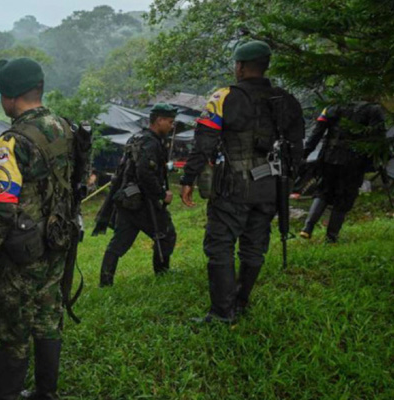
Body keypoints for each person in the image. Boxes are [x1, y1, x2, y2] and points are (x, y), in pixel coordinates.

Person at [0, 58, 76, 400]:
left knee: (12, 331)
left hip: (21, 250)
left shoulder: (11, 143)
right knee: (47, 316)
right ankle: (46, 393)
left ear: (10, 96)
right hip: (57, 238)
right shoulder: (62, 126)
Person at [179, 41, 304, 323]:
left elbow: (204, 144)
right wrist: (285, 184)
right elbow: (297, 149)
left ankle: (223, 313)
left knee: (220, 245)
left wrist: (188, 178)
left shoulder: (224, 97)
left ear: (240, 66)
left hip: (233, 186)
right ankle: (241, 302)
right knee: (254, 246)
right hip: (271, 187)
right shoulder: (288, 100)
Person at [95, 103, 179, 287]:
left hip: (128, 199)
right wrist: (162, 194)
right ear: (159, 120)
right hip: (142, 201)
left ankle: (105, 282)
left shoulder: (137, 137)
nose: (172, 126)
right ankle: (162, 274)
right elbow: (144, 173)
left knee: (119, 242)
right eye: (170, 122)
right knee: (166, 234)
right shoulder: (150, 142)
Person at [299, 102, 387, 242]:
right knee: (344, 197)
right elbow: (378, 137)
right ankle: (331, 237)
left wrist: (306, 153)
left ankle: (307, 228)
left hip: (329, 157)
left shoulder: (333, 106)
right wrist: (381, 159)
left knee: (323, 191)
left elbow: (318, 131)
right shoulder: (373, 109)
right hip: (354, 161)